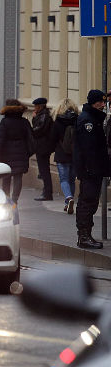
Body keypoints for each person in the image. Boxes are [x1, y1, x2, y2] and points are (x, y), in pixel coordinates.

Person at [73, 89, 109, 249]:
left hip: (93, 169)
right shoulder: (87, 121)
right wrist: (92, 169)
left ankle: (86, 234)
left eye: (103, 102)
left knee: (90, 202)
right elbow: (88, 149)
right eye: (100, 102)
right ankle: (84, 236)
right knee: (87, 202)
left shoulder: (93, 118)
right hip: (90, 170)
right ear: (93, 102)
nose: (103, 105)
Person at [0, 99, 35, 205]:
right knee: (18, 177)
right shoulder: (24, 122)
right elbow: (31, 138)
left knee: (6, 177)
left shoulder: (5, 122)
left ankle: (6, 199)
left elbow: (0, 138)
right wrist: (28, 152)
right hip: (21, 152)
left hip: (6, 153)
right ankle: (15, 199)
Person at [50, 98, 78, 214]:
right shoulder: (78, 120)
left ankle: (69, 198)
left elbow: (52, 139)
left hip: (62, 154)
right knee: (72, 179)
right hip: (75, 154)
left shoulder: (57, 122)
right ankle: (68, 204)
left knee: (64, 179)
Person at [31, 97, 55, 201]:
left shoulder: (44, 116)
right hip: (43, 146)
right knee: (44, 170)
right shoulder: (43, 115)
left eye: (36, 106)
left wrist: (33, 122)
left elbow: (38, 130)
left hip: (43, 147)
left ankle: (47, 193)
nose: (34, 108)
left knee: (44, 170)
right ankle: (46, 192)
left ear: (40, 106)